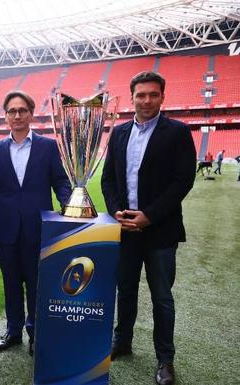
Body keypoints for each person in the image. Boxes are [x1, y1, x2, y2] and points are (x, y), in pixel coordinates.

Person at [101, 71, 196, 385]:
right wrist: (116, 210)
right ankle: (123, 342)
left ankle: (165, 360)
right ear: (132, 98)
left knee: (162, 298)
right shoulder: (119, 134)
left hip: (160, 232)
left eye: (152, 94)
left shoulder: (178, 133)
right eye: (140, 95)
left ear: (162, 97)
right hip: (125, 229)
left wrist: (149, 215)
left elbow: (183, 181)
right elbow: (108, 179)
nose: (146, 100)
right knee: (124, 291)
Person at [0, 91, 70, 356]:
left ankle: (36, 332)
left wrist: (69, 206)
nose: (18, 115)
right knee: (11, 282)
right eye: (12, 111)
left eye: (23, 110)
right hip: (6, 227)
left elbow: (60, 181)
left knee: (36, 283)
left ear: (31, 114)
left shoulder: (47, 146)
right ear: (6, 115)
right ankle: (13, 331)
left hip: (38, 226)